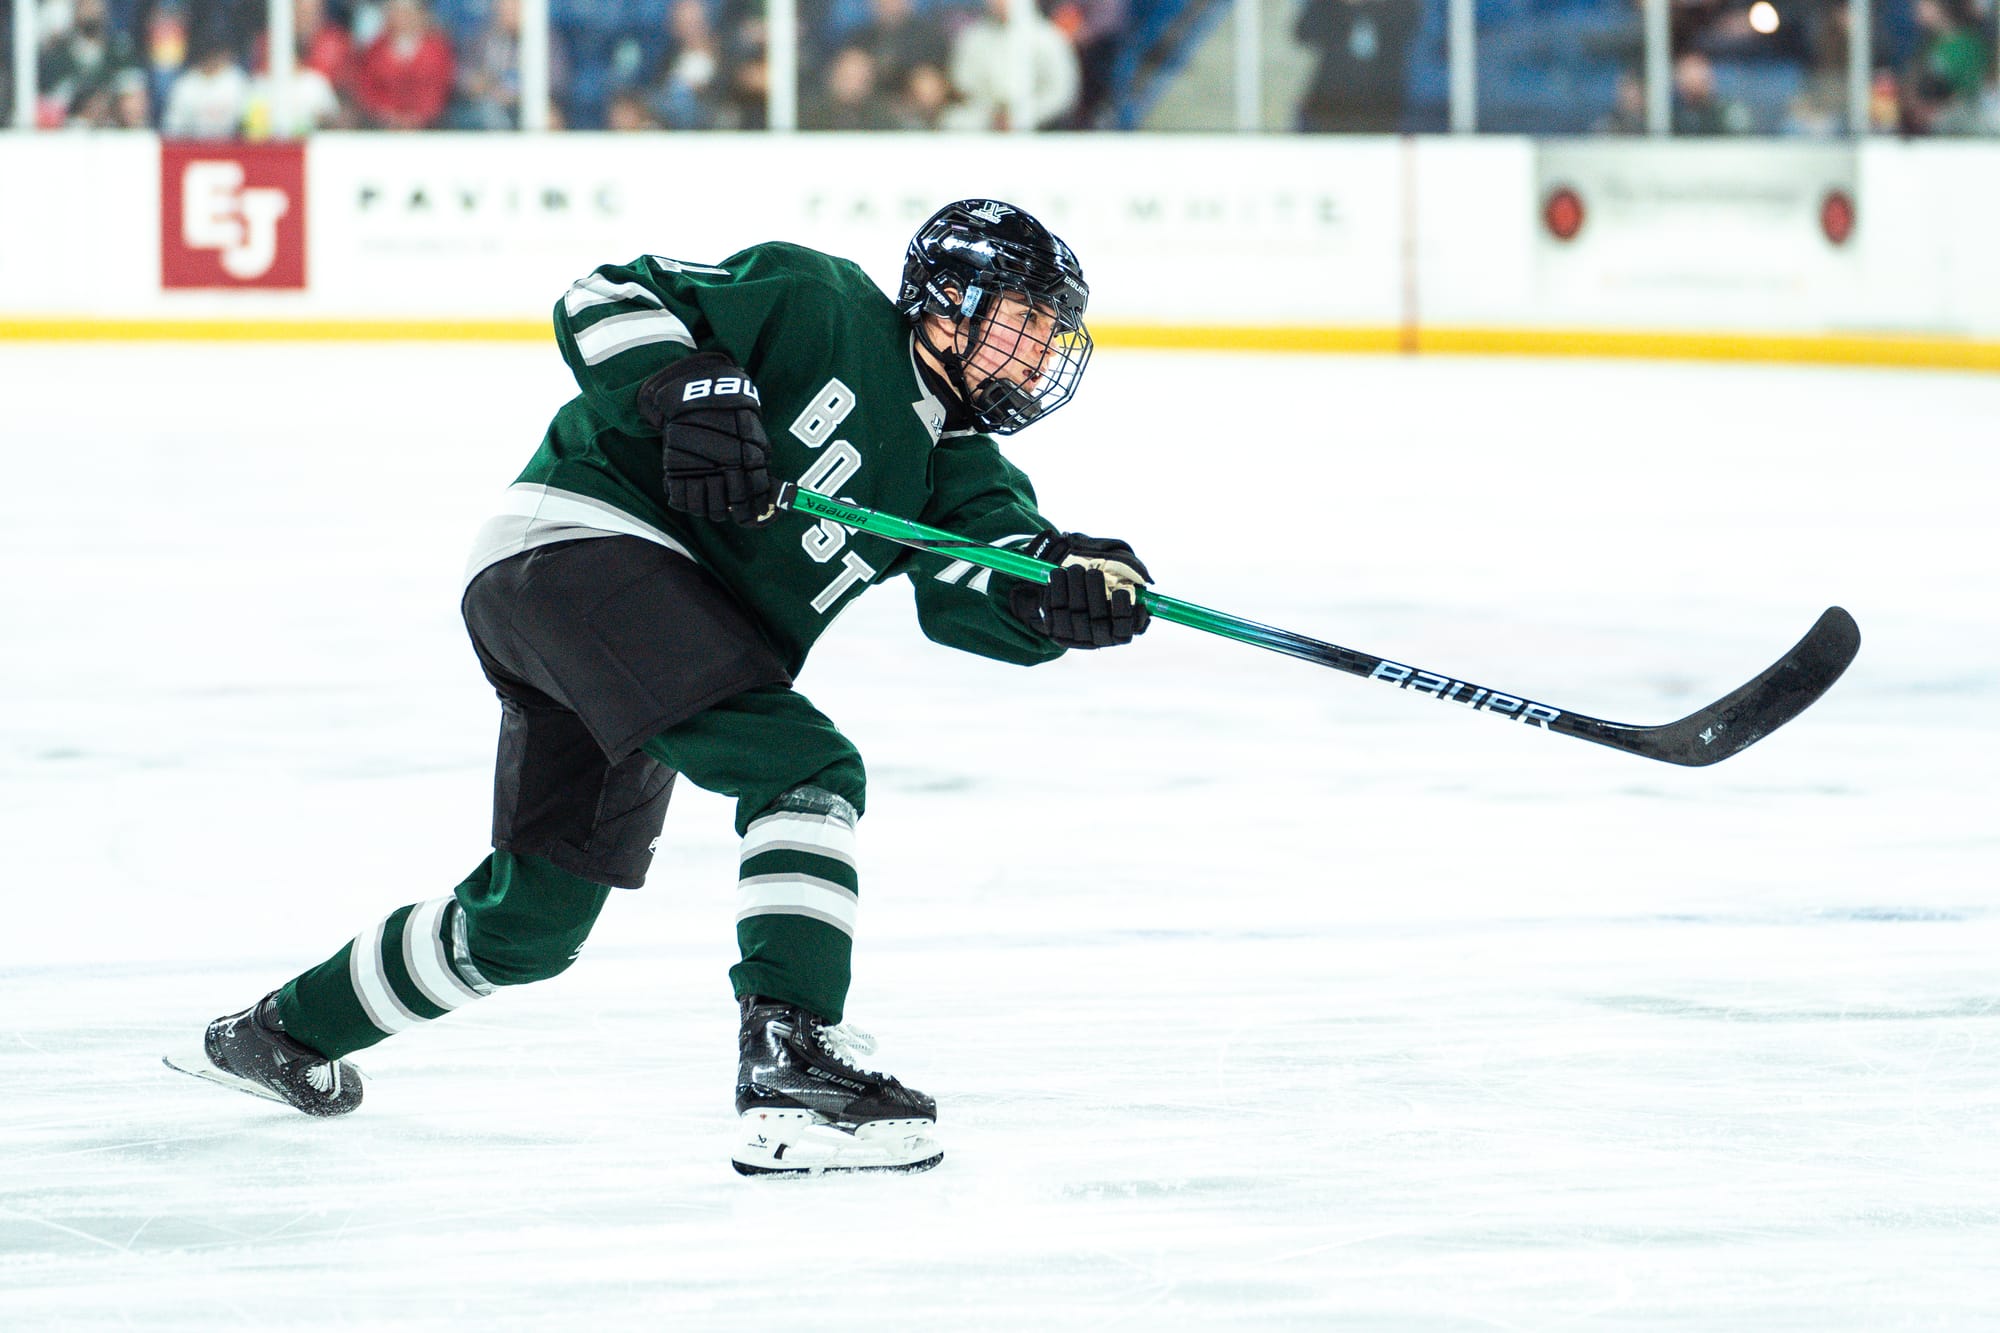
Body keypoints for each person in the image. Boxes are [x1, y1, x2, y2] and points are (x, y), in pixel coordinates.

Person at [175, 200, 1152, 1177]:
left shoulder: (958, 471)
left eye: (1051, 335)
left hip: (638, 627)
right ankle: (789, 1062)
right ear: (950, 301)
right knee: (804, 767)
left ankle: (281, 1035)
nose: (1038, 357)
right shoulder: (821, 303)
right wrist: (689, 387)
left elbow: (988, 574)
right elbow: (605, 296)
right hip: (579, 550)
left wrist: (1063, 589)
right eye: (1026, 322)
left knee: (529, 925)